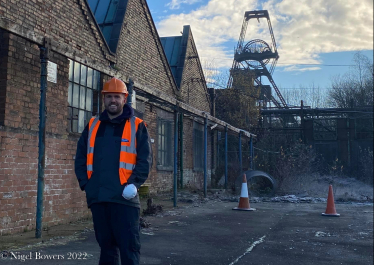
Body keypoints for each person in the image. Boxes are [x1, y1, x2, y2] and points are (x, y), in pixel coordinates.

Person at [75, 77, 152, 265]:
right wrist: (87, 185)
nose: (113, 101)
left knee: (129, 249)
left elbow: (145, 159)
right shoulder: (93, 125)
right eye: (109, 96)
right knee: (107, 249)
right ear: (104, 99)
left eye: (117, 96)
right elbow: (80, 157)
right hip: (99, 198)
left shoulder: (137, 125)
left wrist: (134, 184)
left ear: (125, 99)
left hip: (125, 199)